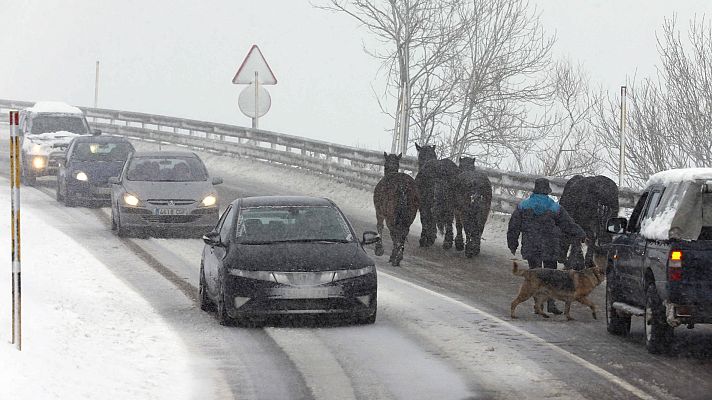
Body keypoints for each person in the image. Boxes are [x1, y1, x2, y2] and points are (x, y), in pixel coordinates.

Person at [507, 177, 586, 315]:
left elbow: (513, 226)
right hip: (550, 245)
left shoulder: (523, 205)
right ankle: (550, 303)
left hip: (531, 245)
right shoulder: (554, 207)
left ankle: (538, 305)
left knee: (535, 276)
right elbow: (568, 224)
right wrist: (581, 234)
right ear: (547, 191)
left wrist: (512, 243)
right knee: (552, 277)